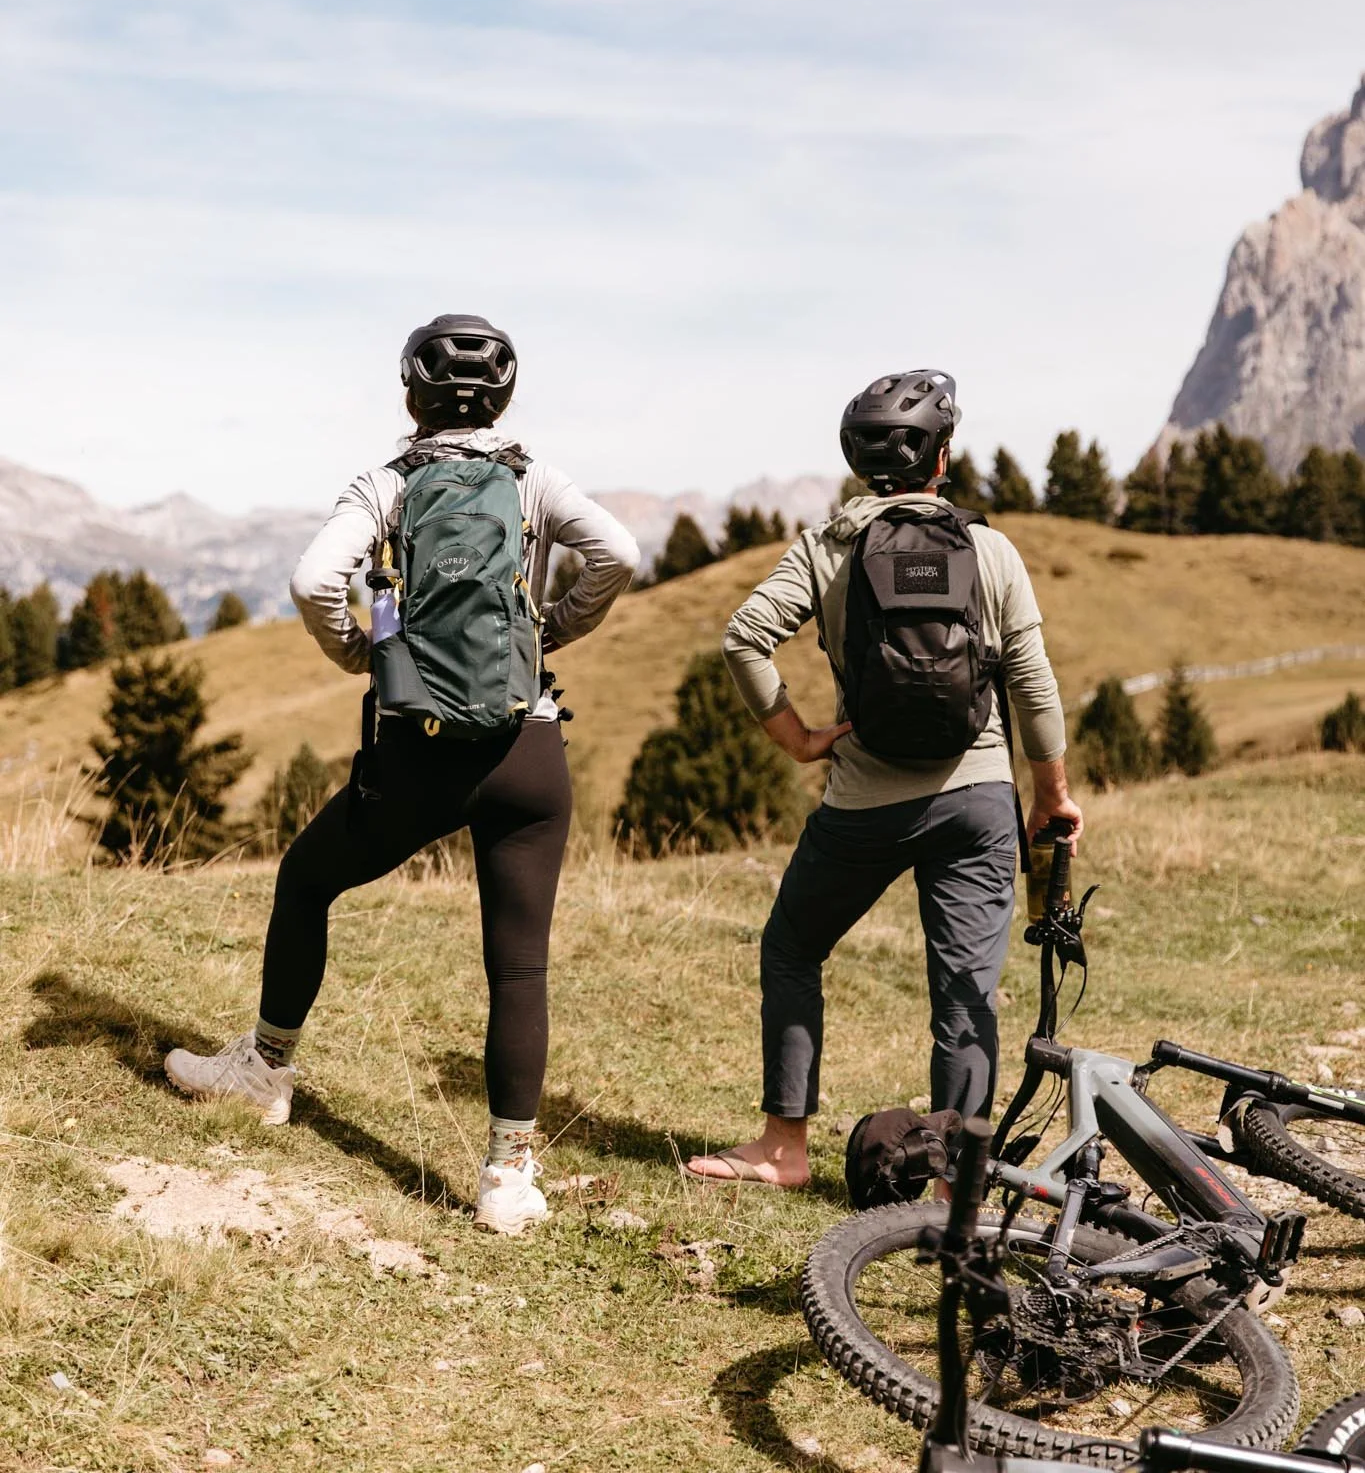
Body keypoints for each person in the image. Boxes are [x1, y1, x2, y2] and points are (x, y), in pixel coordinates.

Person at [165, 314, 639, 1237]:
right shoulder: (534, 477)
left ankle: (266, 1070)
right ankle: (507, 1170)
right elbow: (617, 553)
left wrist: (358, 655)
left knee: (306, 880)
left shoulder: (388, 482)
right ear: (503, 394)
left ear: (410, 394)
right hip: (527, 747)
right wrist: (550, 632)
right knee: (518, 966)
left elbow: (313, 579)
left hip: (419, 750)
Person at [687, 369, 1080, 1190]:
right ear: (942, 456)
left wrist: (796, 738)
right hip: (975, 802)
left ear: (857, 459)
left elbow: (742, 639)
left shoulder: (828, 548)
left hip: (864, 802)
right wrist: (1050, 795)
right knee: (965, 990)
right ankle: (951, 1179)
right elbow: (1032, 683)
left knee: (793, 947)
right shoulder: (987, 548)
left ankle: (782, 1149)